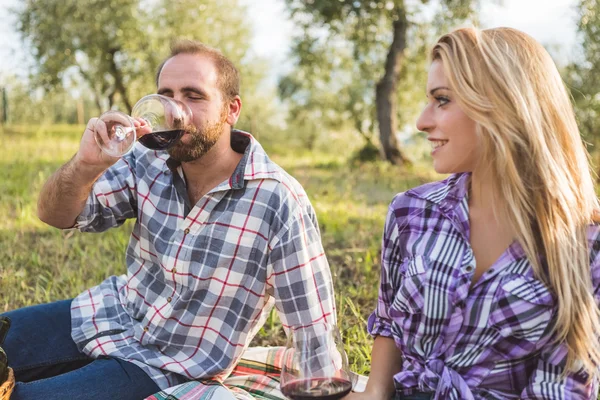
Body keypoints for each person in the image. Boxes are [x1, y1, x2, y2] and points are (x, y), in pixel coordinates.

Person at [2, 39, 335, 400]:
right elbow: (55, 215)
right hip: (109, 313)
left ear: (231, 109)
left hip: (168, 365)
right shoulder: (146, 161)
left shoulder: (278, 200)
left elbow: (312, 326)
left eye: (194, 96)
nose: (177, 110)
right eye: (167, 94)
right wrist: (87, 165)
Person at [347, 27, 600, 399]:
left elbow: (564, 386)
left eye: (443, 100)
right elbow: (389, 322)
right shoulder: (412, 212)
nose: (421, 121)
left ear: (504, 105)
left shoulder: (584, 243)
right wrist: (373, 394)